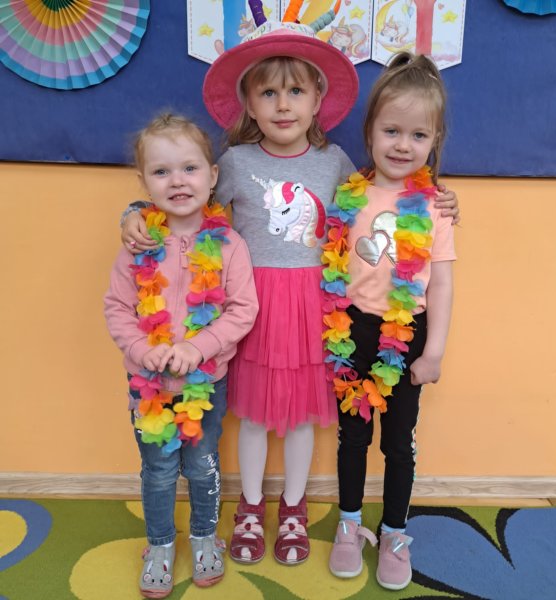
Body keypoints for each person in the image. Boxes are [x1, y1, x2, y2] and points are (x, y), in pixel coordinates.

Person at [121, 0, 459, 568]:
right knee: (254, 414)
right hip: (252, 304)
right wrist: (134, 212)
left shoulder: (335, 162)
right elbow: (186, 203)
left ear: (317, 100)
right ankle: (251, 508)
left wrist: (443, 198)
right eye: (269, 93)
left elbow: (385, 198)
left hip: (314, 306)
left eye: (296, 91)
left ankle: (295, 508)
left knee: (302, 414)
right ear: (249, 102)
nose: (283, 105)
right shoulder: (232, 161)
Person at [104, 113, 258, 598]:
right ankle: (160, 545)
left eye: (189, 169)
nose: (177, 181)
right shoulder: (138, 245)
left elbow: (243, 310)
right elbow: (117, 307)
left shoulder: (230, 245)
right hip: (148, 387)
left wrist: (198, 346)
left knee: (203, 464)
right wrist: (139, 349)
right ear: (144, 182)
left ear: (212, 177)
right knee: (158, 470)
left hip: (205, 383)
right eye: (161, 171)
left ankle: (204, 536)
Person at [323, 51, 456, 591]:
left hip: (408, 335)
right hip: (352, 329)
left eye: (418, 135)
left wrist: (435, 351)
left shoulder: (436, 206)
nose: (403, 145)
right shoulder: (348, 195)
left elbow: (441, 283)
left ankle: (396, 532)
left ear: (434, 140)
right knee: (352, 435)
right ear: (370, 132)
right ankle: (349, 524)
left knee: (398, 442)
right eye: (392, 131)